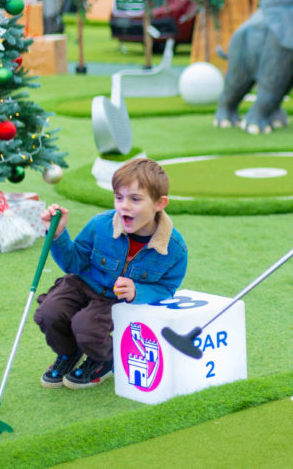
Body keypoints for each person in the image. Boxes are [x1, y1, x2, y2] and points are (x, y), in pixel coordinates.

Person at [34, 158, 188, 389]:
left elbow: (167, 288)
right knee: (49, 313)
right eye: (119, 197)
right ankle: (68, 353)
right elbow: (74, 263)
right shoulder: (100, 225)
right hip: (82, 284)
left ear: (159, 203)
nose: (124, 206)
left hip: (114, 300)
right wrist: (57, 234)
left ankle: (105, 359)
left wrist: (138, 291)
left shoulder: (174, 248)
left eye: (135, 199)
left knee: (86, 327)